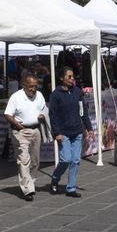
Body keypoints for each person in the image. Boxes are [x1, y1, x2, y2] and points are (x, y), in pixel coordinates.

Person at [47, 67, 92, 198]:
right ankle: (55, 178)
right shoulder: (55, 95)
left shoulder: (77, 92)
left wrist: (89, 128)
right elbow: (52, 115)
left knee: (75, 160)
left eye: (73, 76)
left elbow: (83, 111)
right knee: (65, 159)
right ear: (61, 78)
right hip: (64, 133)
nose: (72, 79)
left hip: (77, 131)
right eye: (69, 77)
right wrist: (57, 133)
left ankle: (71, 188)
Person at [4, 74, 48, 201]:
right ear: (24, 85)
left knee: (35, 161)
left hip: (35, 130)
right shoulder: (16, 97)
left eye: (35, 86)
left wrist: (42, 116)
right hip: (20, 131)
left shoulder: (39, 95)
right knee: (24, 159)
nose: (33, 89)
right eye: (30, 87)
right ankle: (28, 189)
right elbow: (7, 114)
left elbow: (44, 109)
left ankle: (30, 182)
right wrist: (15, 123)